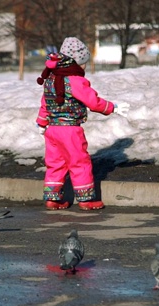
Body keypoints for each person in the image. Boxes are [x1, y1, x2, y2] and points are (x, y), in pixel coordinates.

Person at [35, 37, 130, 211]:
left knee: (55, 163)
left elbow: (45, 103)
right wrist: (112, 108)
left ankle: (53, 198)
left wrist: (42, 123)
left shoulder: (51, 78)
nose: (85, 67)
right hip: (70, 130)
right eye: (84, 63)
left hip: (52, 129)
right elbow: (93, 102)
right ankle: (86, 199)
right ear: (76, 62)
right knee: (79, 162)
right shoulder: (75, 80)